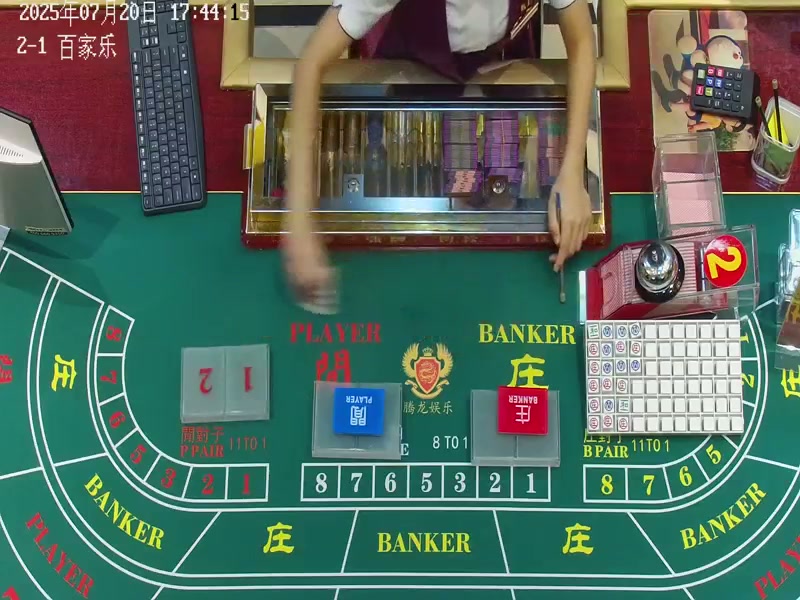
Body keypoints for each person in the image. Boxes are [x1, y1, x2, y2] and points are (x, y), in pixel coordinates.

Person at [282, 0, 597, 301]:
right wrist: (298, 219)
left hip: (503, 63)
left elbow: (582, 42)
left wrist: (571, 174)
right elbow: (311, 63)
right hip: (410, 73)